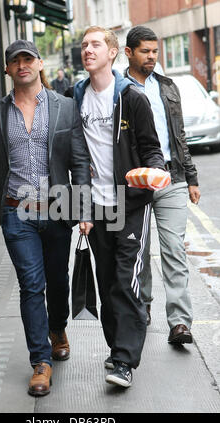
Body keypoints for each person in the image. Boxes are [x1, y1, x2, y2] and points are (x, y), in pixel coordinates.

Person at [0, 40, 92, 397]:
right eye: (15, 61)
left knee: (57, 280)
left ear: (39, 64)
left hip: (58, 206)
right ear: (7, 69)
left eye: (28, 59)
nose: (22, 65)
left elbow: (79, 160)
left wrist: (85, 209)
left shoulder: (65, 106)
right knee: (32, 284)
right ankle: (41, 360)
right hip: (17, 210)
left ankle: (58, 327)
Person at [73, 26, 165, 388]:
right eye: (84, 45)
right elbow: (74, 154)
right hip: (97, 208)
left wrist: (154, 172)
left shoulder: (132, 97)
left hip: (130, 204)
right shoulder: (76, 96)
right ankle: (117, 351)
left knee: (127, 281)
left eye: (96, 44)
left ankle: (125, 360)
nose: (88, 50)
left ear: (113, 53)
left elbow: (152, 147)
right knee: (108, 280)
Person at [124, 26, 200, 343]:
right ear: (129, 53)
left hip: (171, 177)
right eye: (145, 51)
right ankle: (141, 309)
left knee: (174, 252)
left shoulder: (167, 87)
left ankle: (180, 322)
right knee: (138, 252)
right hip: (134, 181)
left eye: (155, 51)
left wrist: (192, 177)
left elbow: (178, 136)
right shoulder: (119, 90)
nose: (152, 57)